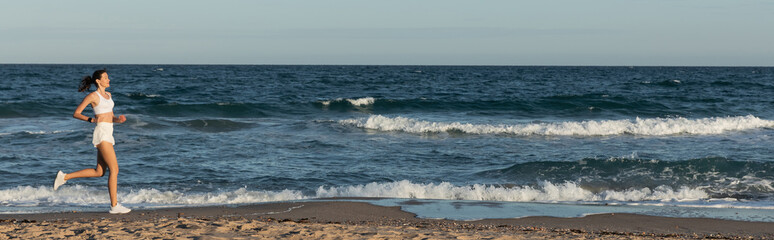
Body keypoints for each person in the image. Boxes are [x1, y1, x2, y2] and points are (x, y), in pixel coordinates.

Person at [53, 69, 131, 214]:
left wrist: (118, 120)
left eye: (108, 77)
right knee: (115, 169)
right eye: (106, 78)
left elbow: (111, 116)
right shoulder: (93, 96)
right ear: (98, 81)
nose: (109, 80)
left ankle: (64, 176)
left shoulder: (109, 95)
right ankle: (114, 206)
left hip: (109, 132)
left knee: (99, 172)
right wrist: (92, 119)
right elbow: (76, 113)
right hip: (101, 133)